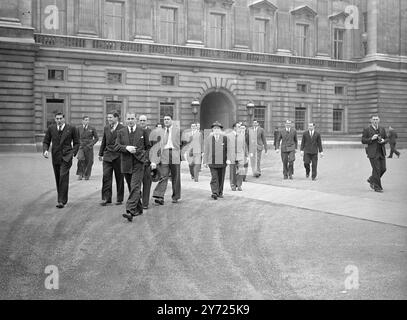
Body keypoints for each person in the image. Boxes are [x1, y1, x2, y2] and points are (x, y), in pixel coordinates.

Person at [115, 112, 151, 222]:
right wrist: (126, 148)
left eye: (132, 118)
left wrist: (145, 158)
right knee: (132, 188)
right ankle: (139, 208)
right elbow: (116, 146)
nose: (130, 120)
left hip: (139, 163)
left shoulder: (143, 131)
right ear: (126, 120)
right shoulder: (121, 132)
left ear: (136, 119)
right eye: (128, 118)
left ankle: (130, 210)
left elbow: (148, 147)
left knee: (135, 186)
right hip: (126, 163)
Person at [42, 112, 79, 208]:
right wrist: (45, 150)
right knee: (58, 178)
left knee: (63, 177)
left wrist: (72, 153)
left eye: (60, 119)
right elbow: (46, 141)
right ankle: (61, 198)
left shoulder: (71, 128)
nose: (58, 120)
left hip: (66, 157)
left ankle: (62, 201)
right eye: (57, 119)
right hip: (56, 157)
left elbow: (76, 143)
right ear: (55, 119)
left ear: (64, 119)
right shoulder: (51, 128)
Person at [150, 115, 182, 205]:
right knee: (163, 175)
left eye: (168, 119)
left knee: (176, 176)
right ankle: (159, 196)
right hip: (164, 154)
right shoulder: (161, 131)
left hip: (174, 153)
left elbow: (183, 142)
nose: (166, 121)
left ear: (172, 120)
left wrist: (179, 151)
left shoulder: (178, 130)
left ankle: (176, 196)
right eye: (164, 119)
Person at [98, 111, 125, 206]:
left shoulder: (122, 128)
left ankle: (119, 198)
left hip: (119, 156)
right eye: (108, 117)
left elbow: (124, 142)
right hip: (107, 156)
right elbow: (103, 141)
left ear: (116, 118)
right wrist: (100, 154)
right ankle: (106, 198)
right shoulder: (106, 127)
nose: (109, 119)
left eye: (111, 117)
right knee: (106, 176)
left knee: (119, 178)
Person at [361, 115, 388, 192]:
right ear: (371, 120)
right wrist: (371, 138)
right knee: (376, 169)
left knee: (383, 169)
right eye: (374, 119)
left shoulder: (382, 129)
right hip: (372, 153)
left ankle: (372, 179)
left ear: (379, 120)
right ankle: (377, 187)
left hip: (381, 152)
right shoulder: (367, 129)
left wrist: (383, 141)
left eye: (376, 119)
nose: (375, 120)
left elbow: (387, 139)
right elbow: (363, 140)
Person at [204, 121, 229, 200]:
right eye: (214, 128)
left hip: (222, 161)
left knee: (221, 178)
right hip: (212, 161)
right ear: (212, 130)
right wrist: (205, 161)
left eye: (218, 128)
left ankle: (220, 192)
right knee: (214, 177)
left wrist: (228, 159)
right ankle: (214, 192)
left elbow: (229, 149)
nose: (216, 130)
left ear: (220, 130)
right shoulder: (209, 138)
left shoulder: (225, 138)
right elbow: (206, 150)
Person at [76, 116, 98, 180]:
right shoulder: (78, 128)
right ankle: (80, 174)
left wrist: (91, 144)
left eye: (88, 120)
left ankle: (87, 174)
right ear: (82, 121)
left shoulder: (92, 128)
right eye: (85, 120)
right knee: (80, 159)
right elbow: (76, 138)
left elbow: (96, 138)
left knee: (89, 161)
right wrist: (79, 144)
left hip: (89, 147)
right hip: (81, 147)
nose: (87, 121)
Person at [227, 122, 248, 191]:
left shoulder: (242, 135)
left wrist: (246, 156)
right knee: (232, 172)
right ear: (234, 128)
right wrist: (227, 158)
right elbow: (226, 148)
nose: (240, 128)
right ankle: (233, 185)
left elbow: (244, 147)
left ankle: (239, 185)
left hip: (240, 156)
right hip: (232, 156)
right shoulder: (228, 136)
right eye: (238, 127)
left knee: (241, 171)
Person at [138, 115, 152, 209]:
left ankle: (145, 203)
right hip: (137, 161)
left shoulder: (151, 132)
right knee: (136, 183)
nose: (142, 122)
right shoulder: (136, 131)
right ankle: (138, 198)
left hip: (148, 161)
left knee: (147, 183)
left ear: (147, 121)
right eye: (141, 120)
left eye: (144, 120)